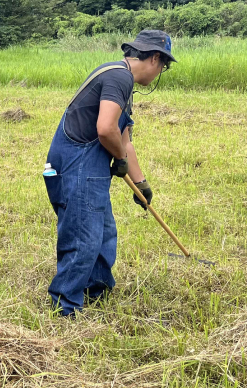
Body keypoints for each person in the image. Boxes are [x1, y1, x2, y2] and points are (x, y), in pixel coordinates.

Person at [43, 30, 176, 317]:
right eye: (163, 66)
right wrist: (118, 158)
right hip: (76, 166)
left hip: (90, 169)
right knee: (84, 237)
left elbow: (124, 140)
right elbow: (105, 130)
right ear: (154, 58)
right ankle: (64, 305)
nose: (160, 72)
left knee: (104, 234)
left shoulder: (122, 83)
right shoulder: (119, 77)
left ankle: (97, 291)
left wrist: (141, 184)